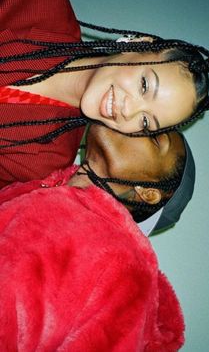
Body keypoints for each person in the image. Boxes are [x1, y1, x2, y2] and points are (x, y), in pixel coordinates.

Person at [0, 0, 209, 188]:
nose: (128, 110)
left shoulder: (43, 162)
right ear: (139, 45)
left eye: (145, 122)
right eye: (144, 86)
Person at [0, 123, 195, 350]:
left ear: (148, 192)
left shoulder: (126, 272)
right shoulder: (33, 181)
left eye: (155, 138)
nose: (132, 120)